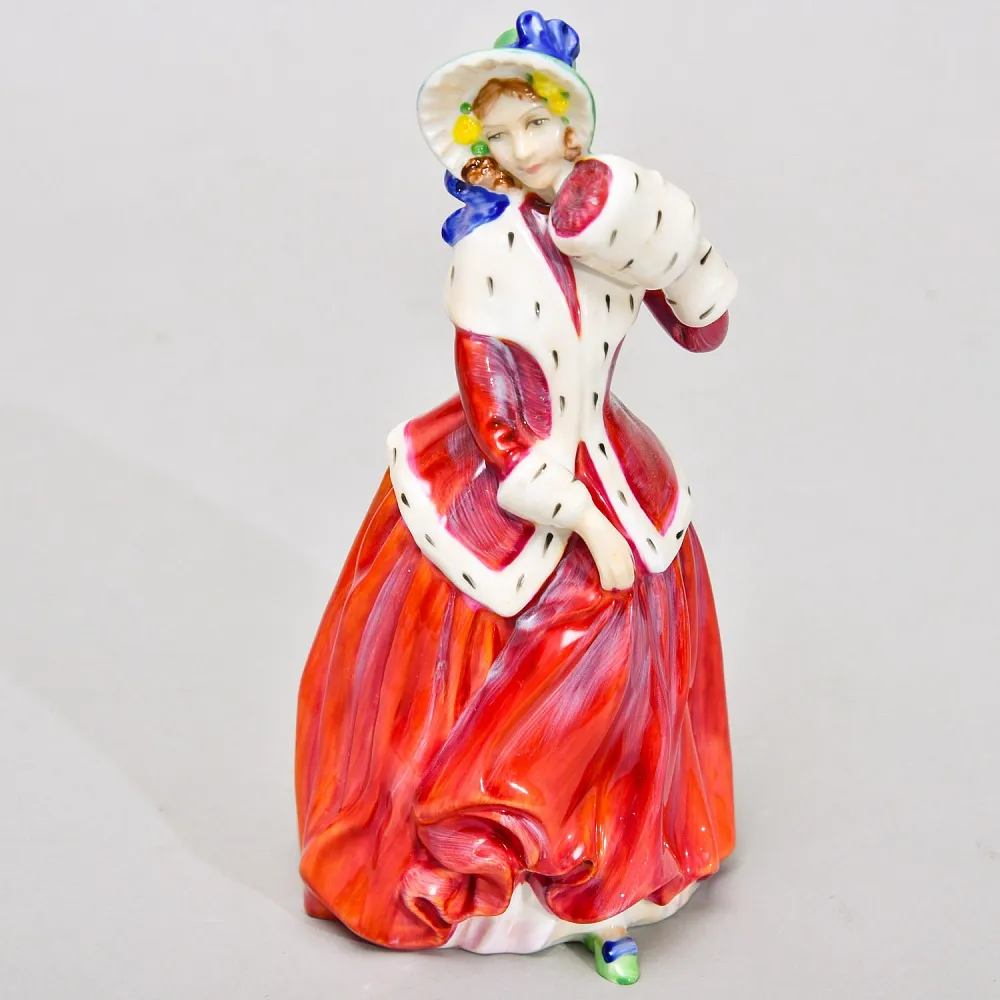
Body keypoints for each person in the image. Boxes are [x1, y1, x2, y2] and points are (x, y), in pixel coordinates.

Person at [295, 10, 738, 986]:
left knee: (639, 632)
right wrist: (582, 522)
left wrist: (679, 253)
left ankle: (607, 875)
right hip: (519, 481)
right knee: (581, 616)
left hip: (611, 458)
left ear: (570, 128)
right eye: (498, 137)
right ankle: (484, 823)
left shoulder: (606, 220)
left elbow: (700, 327)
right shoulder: (486, 255)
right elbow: (499, 426)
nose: (521, 149)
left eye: (532, 125)